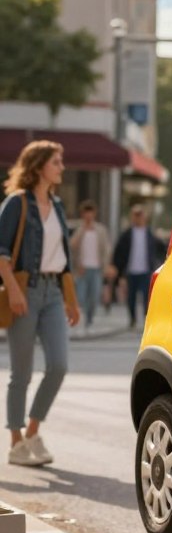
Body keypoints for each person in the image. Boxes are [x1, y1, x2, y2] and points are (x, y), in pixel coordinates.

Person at [0, 140, 80, 467]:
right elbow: (1, 251)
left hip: (54, 292)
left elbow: (63, 259)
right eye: (56, 162)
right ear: (38, 166)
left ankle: (33, 431)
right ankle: (16, 442)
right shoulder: (16, 204)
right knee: (21, 373)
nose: (62, 167)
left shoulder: (58, 206)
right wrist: (14, 292)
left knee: (59, 365)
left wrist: (71, 300)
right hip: (25, 291)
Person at [109, 205, 166, 328]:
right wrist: (115, 267)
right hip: (131, 271)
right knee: (131, 297)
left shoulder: (150, 235)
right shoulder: (126, 235)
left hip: (146, 270)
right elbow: (119, 252)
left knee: (147, 296)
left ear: (144, 217)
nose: (138, 218)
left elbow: (162, 249)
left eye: (140, 215)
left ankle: (146, 318)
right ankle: (133, 319)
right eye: (136, 215)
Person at [69, 200, 111, 333]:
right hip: (81, 269)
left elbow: (106, 249)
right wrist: (82, 230)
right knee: (80, 297)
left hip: (97, 268)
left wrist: (106, 267)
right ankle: (80, 323)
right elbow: (72, 246)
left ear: (94, 214)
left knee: (94, 297)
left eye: (91, 213)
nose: (88, 216)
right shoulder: (79, 229)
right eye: (86, 214)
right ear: (82, 214)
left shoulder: (100, 230)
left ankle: (89, 320)